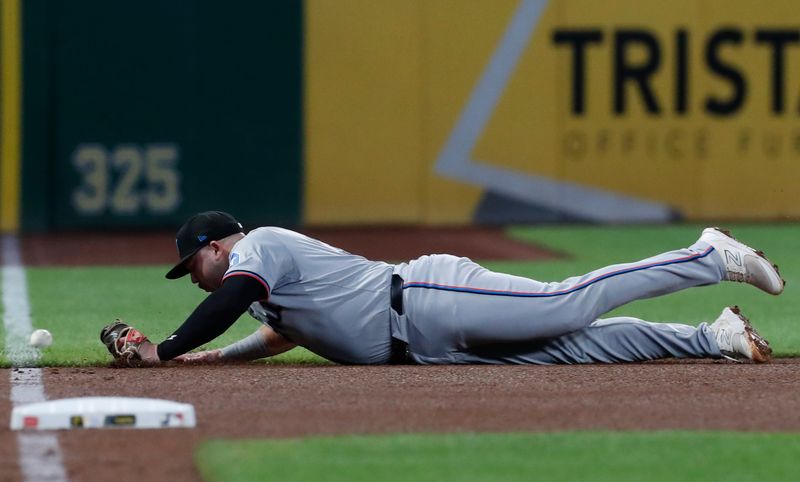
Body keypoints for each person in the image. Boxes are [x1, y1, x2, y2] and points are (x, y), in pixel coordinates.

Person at [120, 211, 783, 366]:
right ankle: (712, 335)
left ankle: (705, 255)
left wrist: (169, 350)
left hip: (425, 296)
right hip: (431, 346)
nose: (194, 279)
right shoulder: (265, 290)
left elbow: (230, 300)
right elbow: (278, 333)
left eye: (192, 268)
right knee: (580, 345)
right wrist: (212, 358)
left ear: (213, 247)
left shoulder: (258, 246)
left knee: (564, 300)